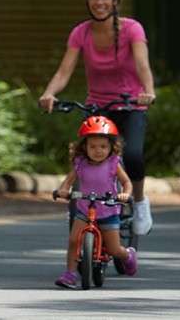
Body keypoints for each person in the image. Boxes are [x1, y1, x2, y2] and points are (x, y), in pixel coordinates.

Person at [37, 0, 158, 226]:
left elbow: (143, 64)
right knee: (83, 156)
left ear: (115, 1)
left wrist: (148, 91)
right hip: (97, 107)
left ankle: (139, 202)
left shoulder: (132, 28)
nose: (99, 2)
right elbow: (64, 72)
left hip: (130, 104)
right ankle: (79, 206)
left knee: (133, 155)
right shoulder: (80, 32)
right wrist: (49, 94)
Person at [52, 116, 138, 289]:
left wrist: (125, 194)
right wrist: (63, 190)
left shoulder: (114, 163)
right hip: (84, 209)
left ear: (112, 147)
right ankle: (70, 274)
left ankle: (127, 255)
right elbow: (68, 182)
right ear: (84, 147)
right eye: (92, 146)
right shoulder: (80, 163)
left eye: (103, 146)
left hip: (108, 211)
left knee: (114, 250)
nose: (98, 150)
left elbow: (126, 182)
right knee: (74, 240)